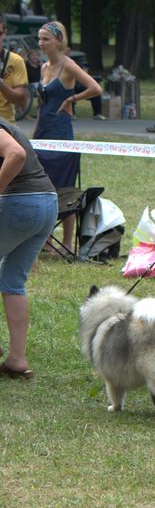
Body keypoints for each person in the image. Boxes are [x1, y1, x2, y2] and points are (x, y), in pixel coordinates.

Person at [33, 21, 102, 251]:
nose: (41, 43)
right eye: (40, 39)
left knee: (64, 189)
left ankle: (66, 243)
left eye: (46, 39)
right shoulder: (44, 68)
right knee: (42, 186)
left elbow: (95, 88)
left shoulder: (68, 65)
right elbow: (42, 104)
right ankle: (45, 239)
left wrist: (72, 99)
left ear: (59, 40)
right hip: (42, 130)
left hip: (61, 132)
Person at [0, 119, 58, 379]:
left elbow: (16, 154)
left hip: (20, 203)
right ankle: (17, 360)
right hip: (47, 203)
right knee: (12, 281)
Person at [0, 12, 29, 124]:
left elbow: (22, 102)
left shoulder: (15, 61)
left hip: (5, 126)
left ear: (5, 33)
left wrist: (1, 84)